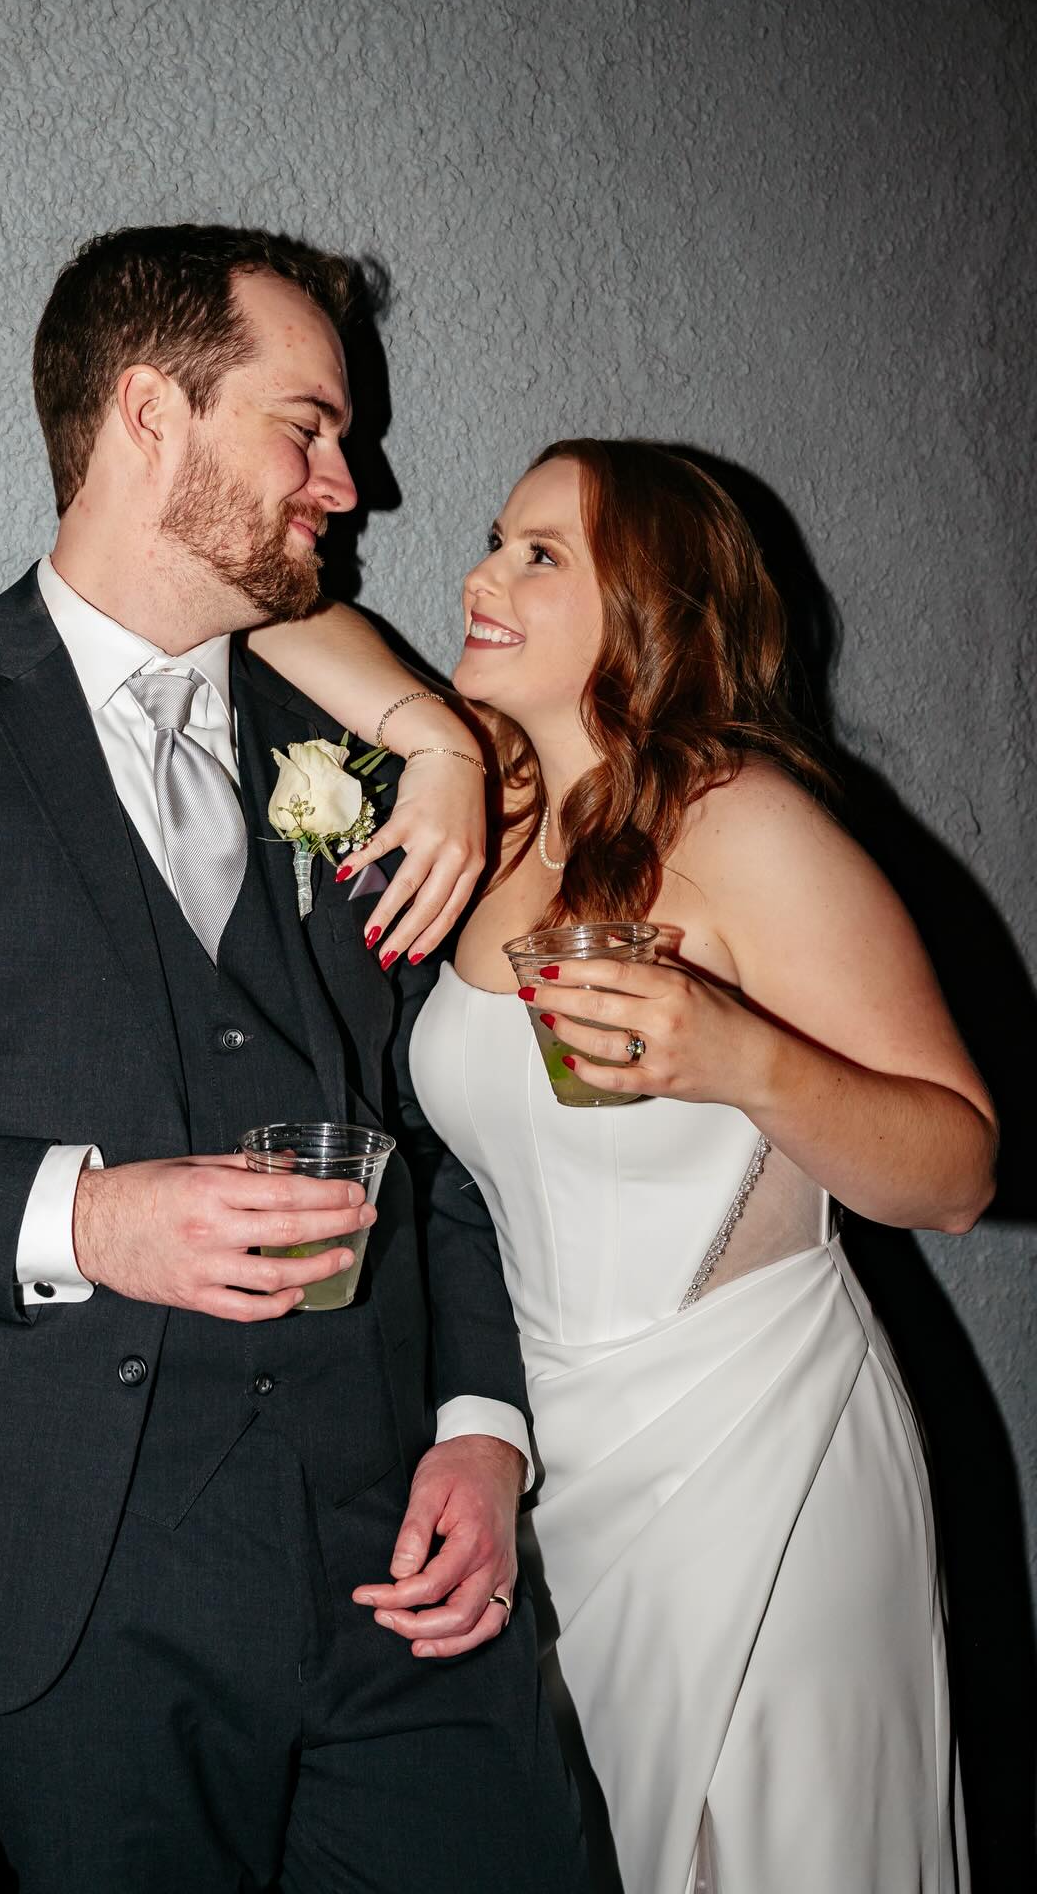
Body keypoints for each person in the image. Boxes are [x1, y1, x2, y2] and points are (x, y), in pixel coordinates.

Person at [0, 227, 588, 1894]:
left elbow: (439, 1124)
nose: (352, 483)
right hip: (80, 1604)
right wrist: (85, 1220)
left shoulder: (362, 745)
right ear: (151, 413)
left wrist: (480, 1424)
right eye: (307, 428)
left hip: (401, 1572)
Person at [315, 438, 990, 1894]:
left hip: (759, 1441)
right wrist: (437, 748)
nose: (481, 576)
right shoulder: (498, 816)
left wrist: (739, 1054)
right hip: (556, 1449)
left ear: (654, 609)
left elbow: (956, 1170)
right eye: (495, 538)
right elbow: (276, 618)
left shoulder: (744, 820)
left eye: (541, 554)